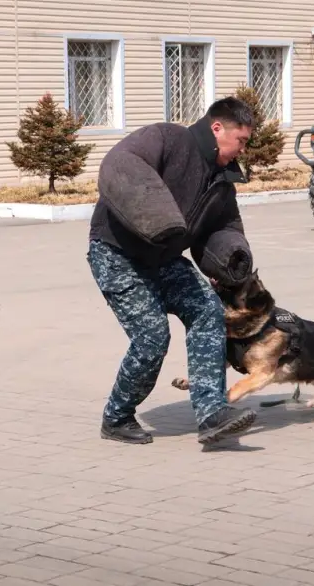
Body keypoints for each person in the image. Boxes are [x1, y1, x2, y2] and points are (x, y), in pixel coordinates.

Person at [87, 97, 259, 446]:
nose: (242, 149)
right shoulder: (166, 139)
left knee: (207, 310)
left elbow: (223, 225)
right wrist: (156, 216)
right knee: (152, 336)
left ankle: (212, 414)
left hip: (163, 260)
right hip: (116, 253)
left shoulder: (221, 180)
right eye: (240, 140)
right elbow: (123, 163)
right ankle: (116, 416)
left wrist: (230, 259)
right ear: (217, 128)